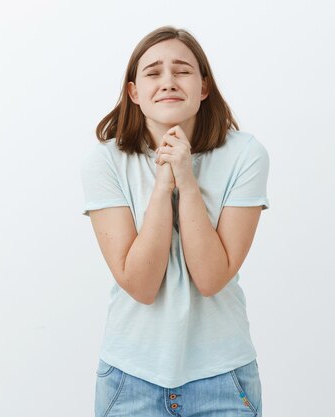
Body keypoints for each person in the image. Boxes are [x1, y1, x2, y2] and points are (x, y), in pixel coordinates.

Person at [80, 26, 270, 417]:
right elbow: (141, 284)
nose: (168, 81)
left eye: (182, 70)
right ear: (134, 92)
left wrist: (185, 174)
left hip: (223, 377)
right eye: (153, 73)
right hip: (130, 377)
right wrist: (163, 181)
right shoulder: (104, 161)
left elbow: (211, 278)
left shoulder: (246, 155)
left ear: (203, 86)